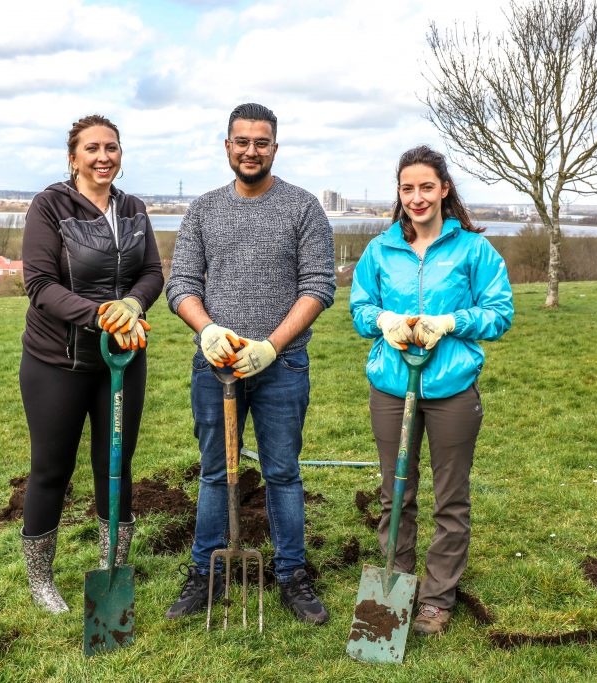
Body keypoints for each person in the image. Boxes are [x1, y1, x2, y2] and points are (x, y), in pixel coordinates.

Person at [164, 103, 336, 625]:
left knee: (283, 472)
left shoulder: (303, 208)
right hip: (215, 367)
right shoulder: (203, 211)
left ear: (275, 148)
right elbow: (182, 285)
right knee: (215, 472)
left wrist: (272, 345)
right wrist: (207, 329)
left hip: (282, 368)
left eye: (261, 142)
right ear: (227, 147)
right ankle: (205, 574)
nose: (251, 151)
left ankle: (291, 575)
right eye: (242, 141)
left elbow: (318, 287)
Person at [349, 144, 513, 635]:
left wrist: (451, 321)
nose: (416, 197)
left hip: (451, 390)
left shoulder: (474, 250)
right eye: (407, 189)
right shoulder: (381, 249)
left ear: (444, 189)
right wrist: (384, 319)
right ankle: (395, 588)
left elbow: (499, 313)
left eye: (425, 187)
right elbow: (359, 309)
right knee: (394, 493)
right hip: (392, 388)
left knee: (451, 499)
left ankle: (437, 597)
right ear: (398, 194)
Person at [18, 114, 164, 613]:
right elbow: (40, 285)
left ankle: (111, 574)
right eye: (93, 148)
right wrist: (102, 315)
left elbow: (151, 271)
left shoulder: (134, 208)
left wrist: (134, 307)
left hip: (122, 360)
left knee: (116, 467)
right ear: (73, 157)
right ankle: (41, 581)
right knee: (51, 469)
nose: (104, 157)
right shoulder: (50, 206)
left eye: (113, 148)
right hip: (56, 361)